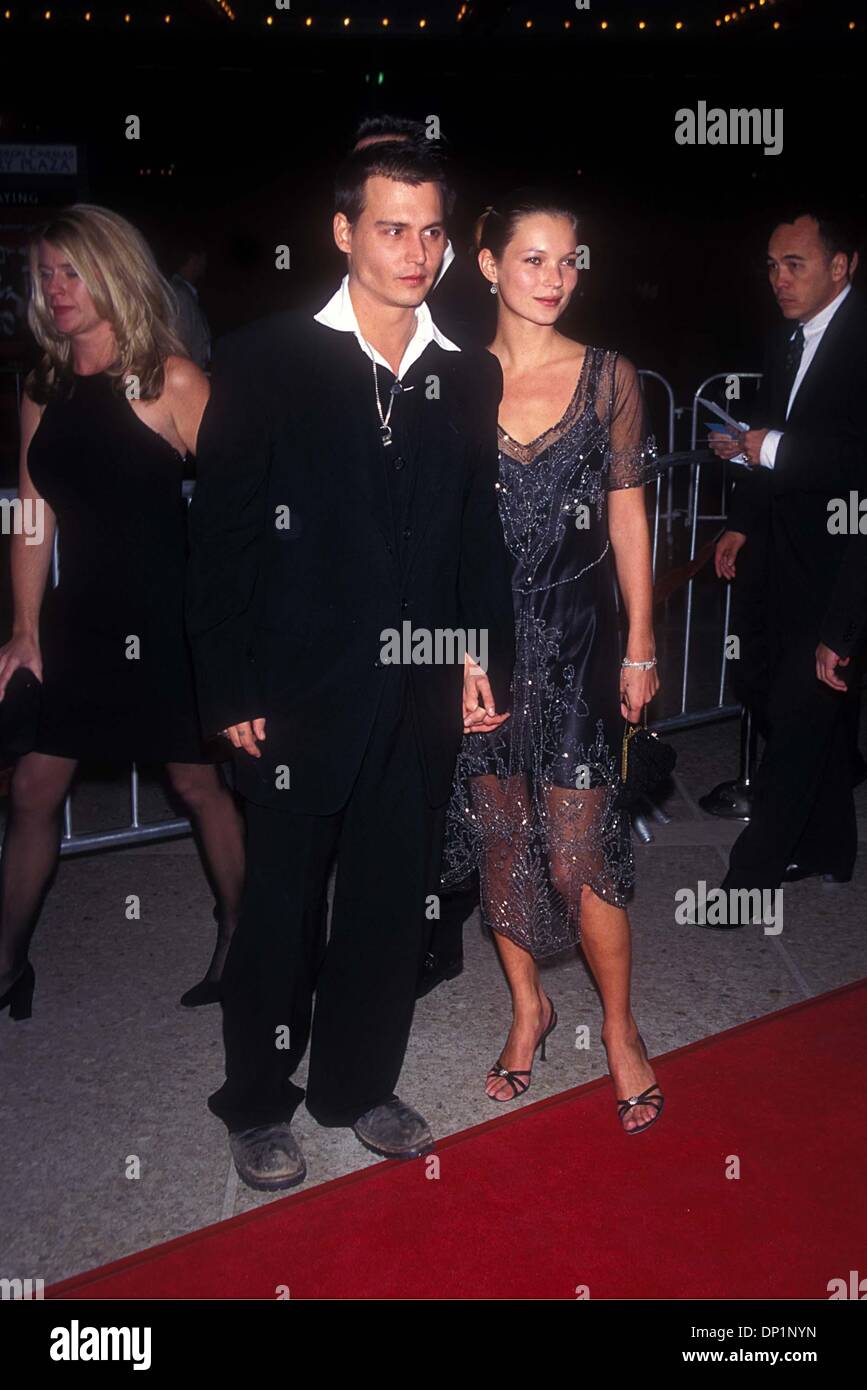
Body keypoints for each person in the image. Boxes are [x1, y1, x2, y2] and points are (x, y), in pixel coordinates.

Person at [185, 139, 515, 1191]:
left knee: (389, 901)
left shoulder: (468, 372)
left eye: (429, 232)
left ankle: (357, 1085)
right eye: (389, 228)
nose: (414, 252)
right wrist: (228, 682)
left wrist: (475, 657)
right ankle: (257, 1102)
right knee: (279, 908)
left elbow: (474, 535)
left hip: (415, 688)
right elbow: (224, 537)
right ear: (343, 233)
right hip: (295, 689)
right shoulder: (266, 358)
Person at [442, 191, 665, 1134]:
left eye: (571, 261)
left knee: (578, 854)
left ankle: (620, 1031)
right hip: (482, 649)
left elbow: (626, 514)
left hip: (576, 643)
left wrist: (642, 642)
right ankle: (528, 1009)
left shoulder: (612, 377)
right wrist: (455, 657)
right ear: (488, 264)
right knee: (499, 839)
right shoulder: (448, 380)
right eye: (533, 260)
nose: (555, 279)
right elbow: (438, 540)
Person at [0, 204, 246, 1022]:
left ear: (111, 273)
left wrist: (238, 613)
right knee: (34, 788)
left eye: (72, 272)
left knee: (196, 781)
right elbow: (31, 517)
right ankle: (7, 964)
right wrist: (25, 628)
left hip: (170, 621)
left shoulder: (169, 379)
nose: (56, 290)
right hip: (80, 620)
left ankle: (241, 935)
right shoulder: (43, 386)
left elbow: (245, 499)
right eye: (45, 274)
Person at [709, 210, 867, 901]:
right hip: (781, 561)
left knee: (800, 723)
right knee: (789, 706)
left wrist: (765, 447)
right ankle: (831, 848)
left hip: (845, 572)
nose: (778, 279)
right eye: (770, 265)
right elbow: (772, 430)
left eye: (794, 263)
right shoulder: (784, 340)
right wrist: (740, 516)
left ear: (841, 266)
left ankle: (749, 880)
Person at [170, 245, 211, 370]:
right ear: (193, 259)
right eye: (203, 258)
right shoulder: (180, 295)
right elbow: (180, 346)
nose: (205, 264)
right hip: (189, 378)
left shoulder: (186, 293)